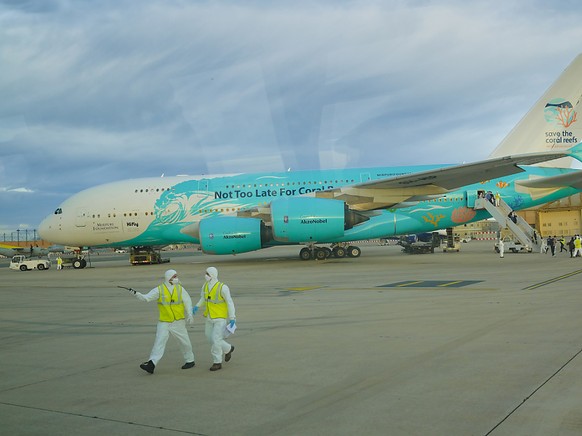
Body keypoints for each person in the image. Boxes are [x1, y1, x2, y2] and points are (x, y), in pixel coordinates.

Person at [134, 269, 195, 374]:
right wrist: (137, 294)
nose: (176, 278)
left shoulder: (180, 289)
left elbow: (187, 301)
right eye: (174, 276)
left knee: (184, 342)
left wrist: (189, 313)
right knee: (159, 342)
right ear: (168, 278)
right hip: (164, 321)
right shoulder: (159, 290)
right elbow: (146, 298)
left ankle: (190, 360)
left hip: (178, 321)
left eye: (176, 276)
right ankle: (151, 364)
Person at [193, 267, 236, 371]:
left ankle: (217, 362)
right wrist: (197, 306)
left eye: (207, 273)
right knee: (210, 338)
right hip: (209, 316)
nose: (205, 275)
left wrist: (232, 317)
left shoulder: (223, 287)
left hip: (220, 318)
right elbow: (203, 298)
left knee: (216, 339)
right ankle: (228, 348)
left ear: (212, 274)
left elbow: (229, 302)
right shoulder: (205, 286)